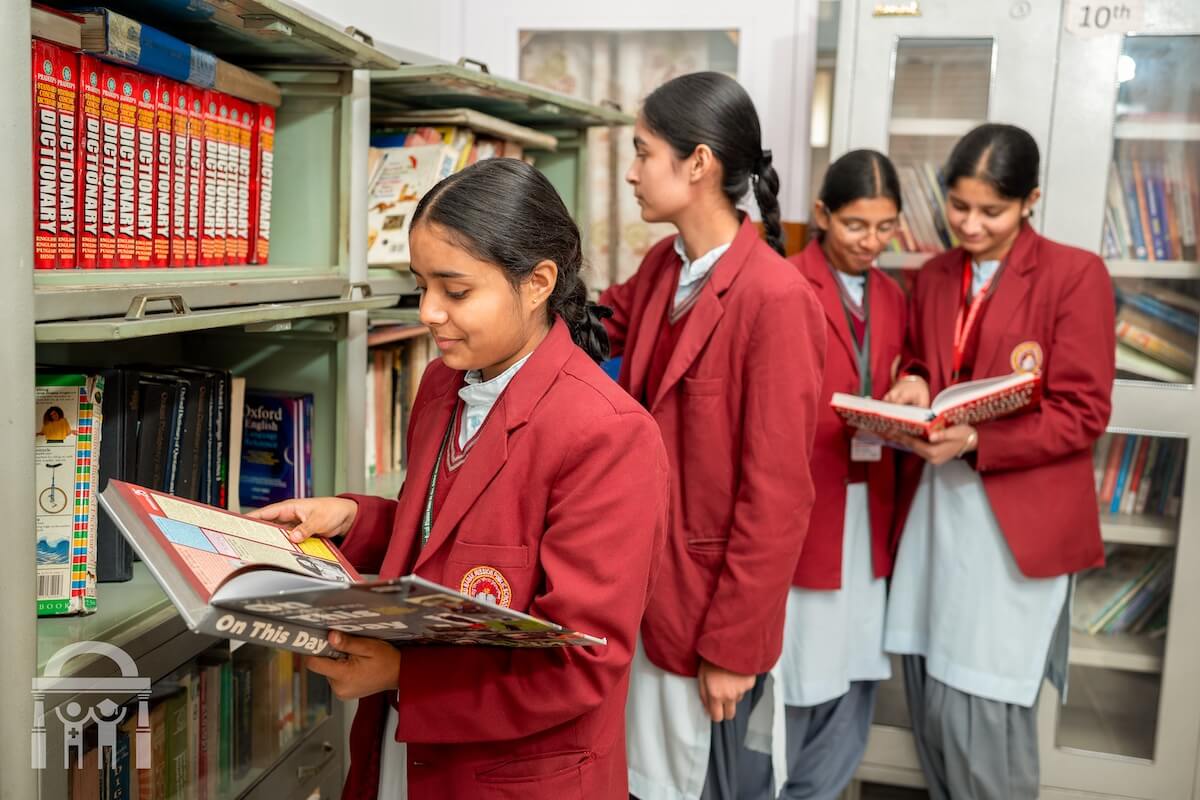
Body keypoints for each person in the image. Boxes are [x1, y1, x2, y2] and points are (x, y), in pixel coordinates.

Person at [251, 158, 670, 800]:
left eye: (456, 290)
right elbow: (452, 535)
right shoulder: (445, 382)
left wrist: (402, 676)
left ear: (537, 284)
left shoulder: (608, 433)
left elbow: (582, 660)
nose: (428, 312)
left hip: (511, 774)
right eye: (420, 286)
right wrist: (353, 520)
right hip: (405, 754)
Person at [600, 71, 825, 800]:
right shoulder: (663, 267)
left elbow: (778, 496)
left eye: (642, 152)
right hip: (638, 587)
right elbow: (595, 325)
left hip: (703, 615)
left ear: (698, 164)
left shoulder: (777, 298)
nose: (631, 173)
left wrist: (736, 646)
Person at [881, 123, 1115, 799]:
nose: (971, 225)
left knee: (983, 708)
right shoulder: (934, 274)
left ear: (1030, 201)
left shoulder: (1075, 276)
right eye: (959, 207)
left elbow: (1083, 411)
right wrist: (915, 382)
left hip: (1014, 525)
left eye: (992, 212)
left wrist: (980, 440)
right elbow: (934, 357)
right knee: (930, 692)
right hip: (937, 510)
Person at [776, 149, 908, 798]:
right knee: (798, 664)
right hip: (809, 502)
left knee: (856, 659)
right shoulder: (783, 284)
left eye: (886, 227)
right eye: (857, 225)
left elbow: (900, 367)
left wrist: (914, 385)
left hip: (869, 501)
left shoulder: (893, 296)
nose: (872, 242)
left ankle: (822, 788)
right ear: (822, 214)